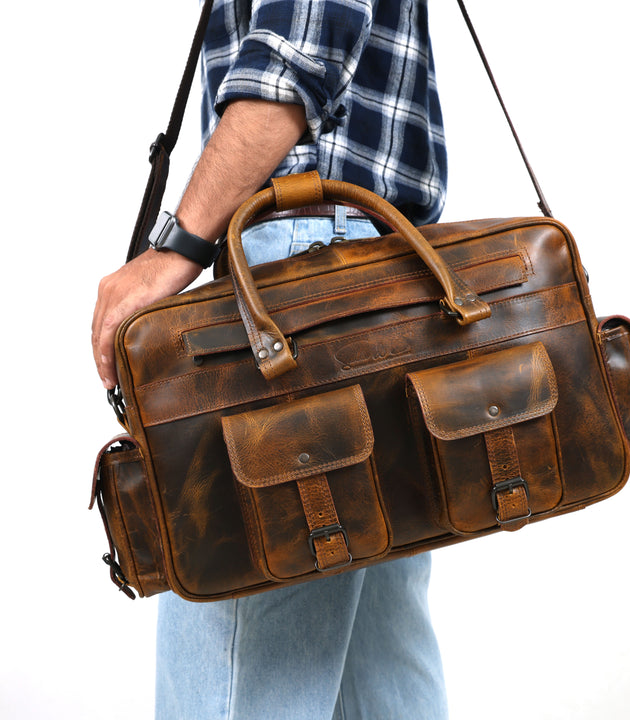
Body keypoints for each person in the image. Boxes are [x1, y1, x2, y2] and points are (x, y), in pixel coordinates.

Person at [91, 1, 449, 718]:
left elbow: (296, 62)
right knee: (379, 673)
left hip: (298, 283)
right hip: (392, 288)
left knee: (234, 682)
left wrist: (175, 251)